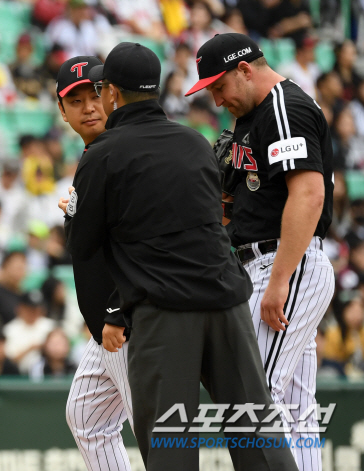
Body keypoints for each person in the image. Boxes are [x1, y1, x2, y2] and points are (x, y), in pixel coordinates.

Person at [67, 42, 299, 470]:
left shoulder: (102, 154)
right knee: (258, 437)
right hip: (227, 303)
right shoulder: (194, 142)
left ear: (111, 93)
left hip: (166, 312)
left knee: (172, 450)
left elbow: (82, 244)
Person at [186, 33, 336, 471]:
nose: (215, 100)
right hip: (271, 261)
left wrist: (280, 280)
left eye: (219, 86)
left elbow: (308, 196)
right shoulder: (251, 116)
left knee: (253, 397)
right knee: (295, 408)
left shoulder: (284, 107)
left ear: (245, 69)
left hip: (285, 262)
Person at [54, 55, 135, 471]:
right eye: (77, 99)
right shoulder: (95, 156)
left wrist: (119, 310)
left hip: (131, 315)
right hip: (105, 321)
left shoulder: (122, 151)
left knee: (155, 427)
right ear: (62, 110)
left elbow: (147, 243)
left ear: (114, 95)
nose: (89, 106)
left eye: (97, 94)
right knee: (87, 418)